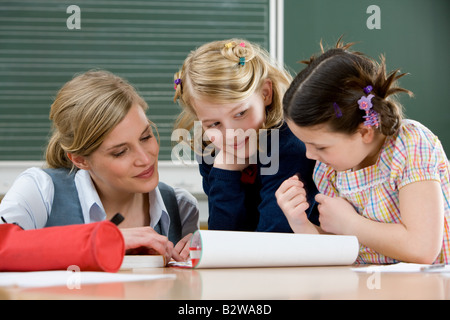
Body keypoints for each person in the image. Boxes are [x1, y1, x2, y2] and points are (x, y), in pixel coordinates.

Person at [275, 40, 450, 264]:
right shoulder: (328, 170)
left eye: (320, 146)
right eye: (306, 144)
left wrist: (351, 223)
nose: (309, 155)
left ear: (365, 131)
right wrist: (301, 224)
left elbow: (422, 249)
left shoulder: (410, 144)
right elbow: (339, 249)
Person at [0, 70, 199, 263]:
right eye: (120, 152)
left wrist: (209, 250)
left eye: (146, 137)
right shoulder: (41, 191)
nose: (145, 159)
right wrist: (105, 241)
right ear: (80, 160)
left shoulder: (181, 207)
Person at [173, 39, 318, 232]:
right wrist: (225, 171)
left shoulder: (289, 143)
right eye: (214, 124)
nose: (232, 134)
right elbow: (224, 238)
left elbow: (274, 239)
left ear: (266, 93)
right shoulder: (213, 149)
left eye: (240, 113)